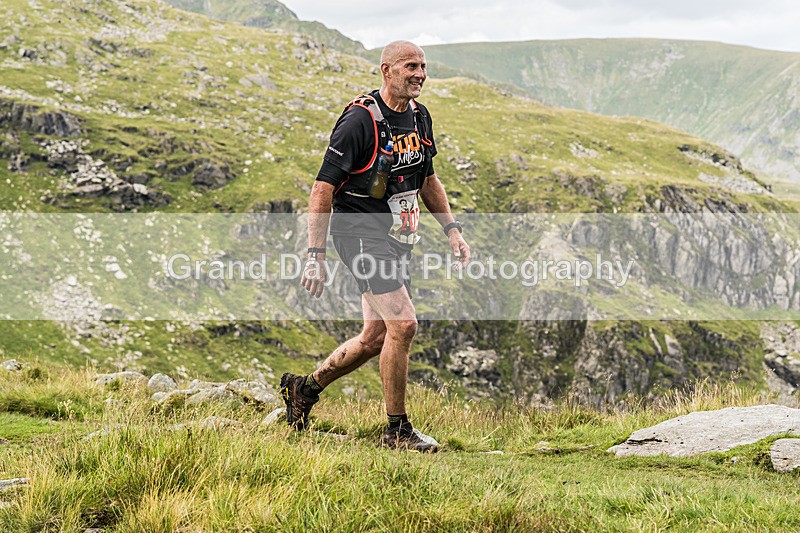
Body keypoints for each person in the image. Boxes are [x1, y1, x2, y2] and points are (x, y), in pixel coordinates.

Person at [280, 40, 470, 453]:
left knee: (375, 334)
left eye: (423, 66)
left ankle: (303, 390)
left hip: (397, 235)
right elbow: (321, 189)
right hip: (359, 233)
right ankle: (397, 431)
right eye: (409, 66)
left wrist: (452, 229)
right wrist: (315, 256)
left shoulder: (420, 118)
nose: (419, 74)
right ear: (386, 70)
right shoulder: (359, 121)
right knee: (404, 325)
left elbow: (427, 179)